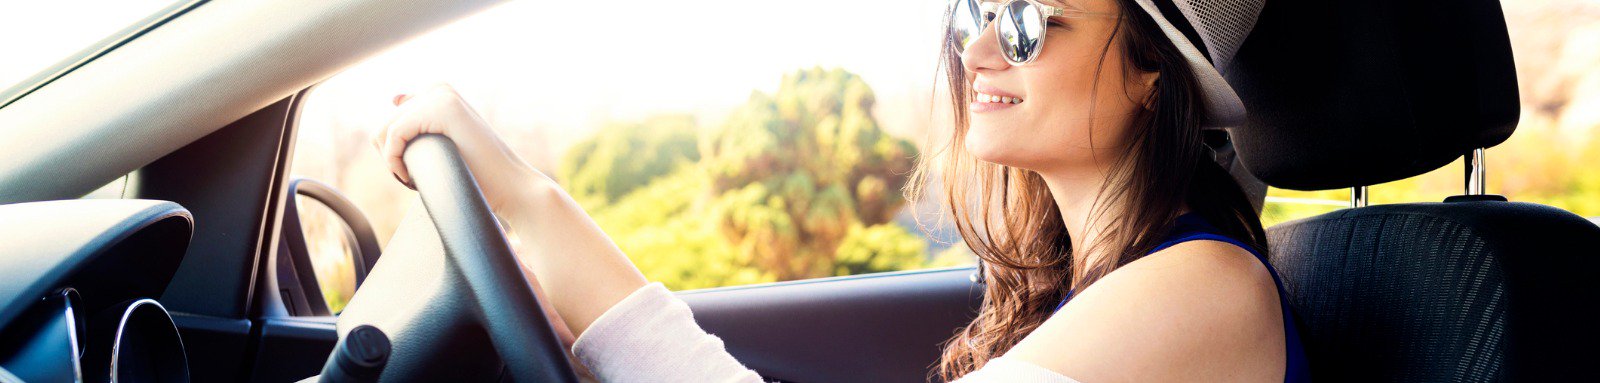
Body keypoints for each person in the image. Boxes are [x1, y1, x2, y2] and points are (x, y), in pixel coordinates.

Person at [371, 0, 1309, 381]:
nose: (977, 49)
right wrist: (523, 196)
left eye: (1027, 22)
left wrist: (530, 198)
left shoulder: (1204, 290)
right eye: (976, 12)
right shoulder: (1082, 290)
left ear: (1153, 71)